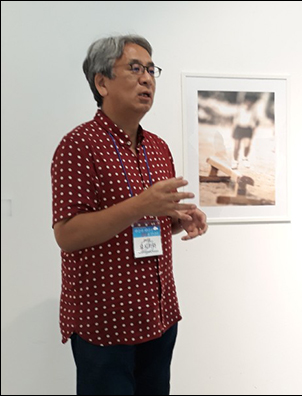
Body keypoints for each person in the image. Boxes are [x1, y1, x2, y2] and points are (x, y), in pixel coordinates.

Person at [50, 34, 208, 395]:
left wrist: (177, 218)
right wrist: (140, 204)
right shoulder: (78, 145)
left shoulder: (157, 147)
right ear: (101, 82)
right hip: (105, 325)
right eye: (134, 68)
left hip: (159, 315)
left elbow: (144, 221)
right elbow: (68, 234)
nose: (147, 78)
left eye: (152, 70)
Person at [231, 94, 259, 169]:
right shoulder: (240, 108)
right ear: (245, 101)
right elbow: (235, 119)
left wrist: (253, 129)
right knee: (237, 147)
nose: (249, 103)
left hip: (247, 129)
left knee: (247, 145)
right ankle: (235, 161)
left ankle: (245, 158)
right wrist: (233, 129)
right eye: (248, 101)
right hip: (239, 128)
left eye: (251, 102)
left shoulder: (254, 110)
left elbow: (255, 120)